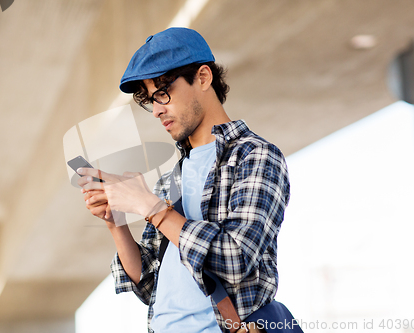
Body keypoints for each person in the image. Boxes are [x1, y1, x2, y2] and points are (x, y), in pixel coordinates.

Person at [77, 27, 291, 333]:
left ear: (203, 78)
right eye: (150, 99)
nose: (156, 110)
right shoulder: (173, 179)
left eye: (163, 92)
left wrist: (150, 206)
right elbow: (151, 285)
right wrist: (117, 221)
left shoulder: (255, 156)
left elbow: (235, 259)